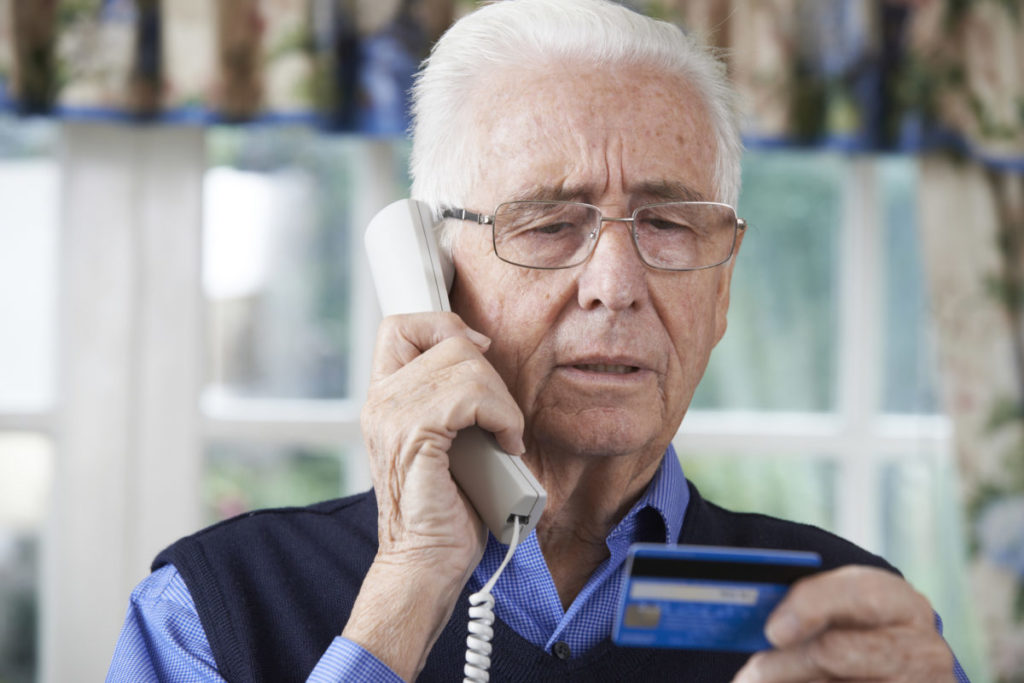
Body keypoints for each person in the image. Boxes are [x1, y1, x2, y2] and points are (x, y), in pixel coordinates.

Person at [108, 1, 966, 681]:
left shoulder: (846, 623)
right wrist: (405, 591)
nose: (616, 283)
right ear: (434, 278)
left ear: (724, 289)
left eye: (669, 224)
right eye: (551, 222)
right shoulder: (211, 609)